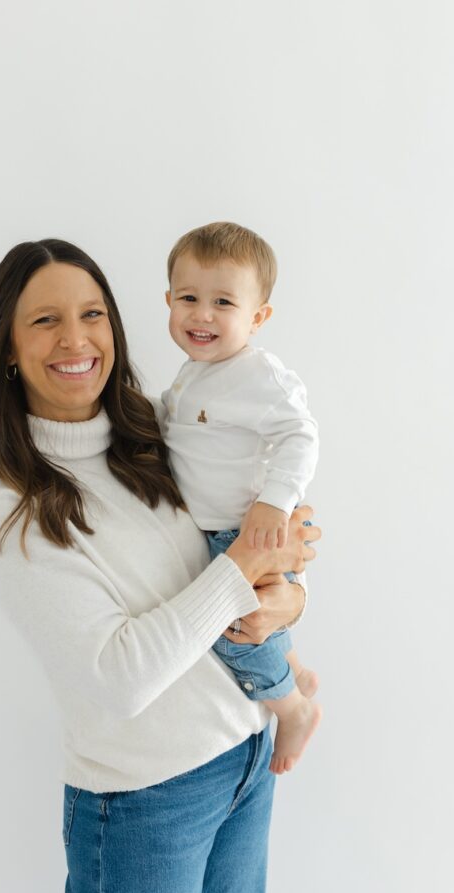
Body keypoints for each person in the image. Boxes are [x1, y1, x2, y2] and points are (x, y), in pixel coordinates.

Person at [0, 238, 320, 893]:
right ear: (7, 350)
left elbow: (251, 549)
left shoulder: (150, 436)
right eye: (45, 320)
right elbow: (118, 679)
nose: (75, 339)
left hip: (244, 760)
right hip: (145, 804)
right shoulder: (6, 503)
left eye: (92, 314)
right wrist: (247, 571)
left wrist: (285, 600)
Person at [161, 221, 323, 774]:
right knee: (256, 624)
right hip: (213, 529)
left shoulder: (258, 376)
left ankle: (293, 708)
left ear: (258, 318)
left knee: (231, 635)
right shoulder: (196, 372)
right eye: (189, 298)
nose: (202, 314)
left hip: (242, 531)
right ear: (169, 302)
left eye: (223, 302)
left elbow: (301, 435)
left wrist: (274, 502)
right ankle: (294, 668)